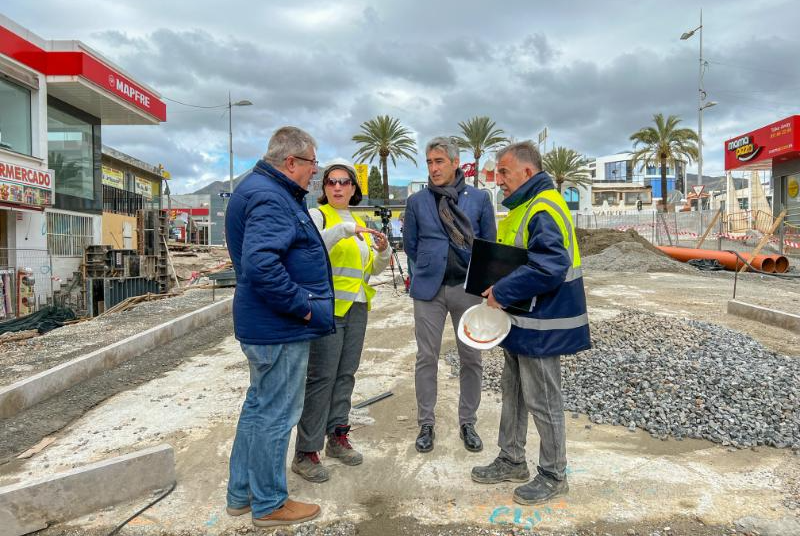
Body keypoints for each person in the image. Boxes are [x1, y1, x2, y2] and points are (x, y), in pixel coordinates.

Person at [225, 126, 335, 527]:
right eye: (312, 163)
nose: (315, 173)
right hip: (279, 328)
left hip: (266, 325)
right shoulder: (271, 197)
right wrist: (303, 307)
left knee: (257, 408)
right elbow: (261, 265)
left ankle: (242, 493)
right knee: (276, 414)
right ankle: (269, 503)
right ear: (292, 162)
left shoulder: (262, 190)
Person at [471, 141, 591, 505]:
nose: (499, 180)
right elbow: (519, 259)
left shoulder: (543, 207)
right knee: (515, 393)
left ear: (527, 171)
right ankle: (511, 458)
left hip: (542, 324)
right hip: (521, 321)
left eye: (504, 172)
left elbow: (550, 265)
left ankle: (554, 474)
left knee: (542, 399)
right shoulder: (525, 208)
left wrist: (503, 291)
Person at [292, 159, 390, 482]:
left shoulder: (357, 220)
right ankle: (306, 452)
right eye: (331, 182)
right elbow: (310, 251)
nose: (337, 187)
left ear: (353, 188)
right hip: (328, 309)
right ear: (324, 188)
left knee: (345, 375)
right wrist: (341, 230)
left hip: (357, 307)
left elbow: (370, 270)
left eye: (344, 182)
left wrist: (383, 253)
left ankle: (337, 436)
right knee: (322, 378)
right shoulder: (318, 216)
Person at [403, 136, 496, 454]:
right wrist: (430, 266)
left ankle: (467, 422)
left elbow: (488, 246)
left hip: (467, 290)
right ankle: (426, 424)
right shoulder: (417, 201)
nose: (433, 167)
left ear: (456, 163)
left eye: (439, 161)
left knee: (471, 358)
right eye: (429, 162)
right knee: (426, 357)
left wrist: (485, 286)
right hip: (429, 290)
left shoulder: (479, 198)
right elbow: (411, 245)